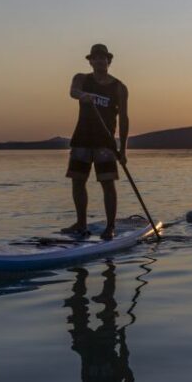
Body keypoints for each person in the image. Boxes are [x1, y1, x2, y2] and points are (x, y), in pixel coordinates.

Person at [63, 43, 129, 240]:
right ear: (90, 61)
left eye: (103, 57)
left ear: (109, 61)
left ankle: (110, 227)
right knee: (78, 181)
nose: (100, 60)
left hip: (105, 143)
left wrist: (123, 149)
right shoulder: (81, 79)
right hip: (82, 139)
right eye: (96, 57)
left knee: (107, 184)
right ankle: (81, 223)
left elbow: (124, 118)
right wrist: (83, 95)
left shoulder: (119, 87)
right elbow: (73, 91)